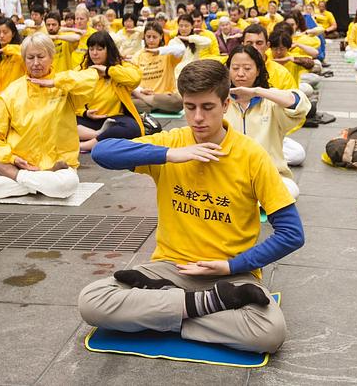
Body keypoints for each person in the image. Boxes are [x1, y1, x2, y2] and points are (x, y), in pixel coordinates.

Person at [79, 60, 304, 353]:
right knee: (92, 301)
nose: (198, 117)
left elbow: (291, 234)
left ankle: (164, 314)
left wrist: (232, 265)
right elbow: (103, 151)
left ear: (226, 104)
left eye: (207, 107)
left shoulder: (251, 155)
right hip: (169, 269)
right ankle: (204, 305)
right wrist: (171, 155)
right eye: (190, 107)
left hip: (231, 276)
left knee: (269, 333)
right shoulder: (173, 143)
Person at [0, 33, 98, 201]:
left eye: (41, 57)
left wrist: (55, 82)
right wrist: (11, 158)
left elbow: (92, 79)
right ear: (24, 59)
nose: (35, 63)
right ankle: (38, 182)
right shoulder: (12, 92)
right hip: (18, 163)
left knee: (67, 185)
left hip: (58, 165)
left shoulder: (64, 86)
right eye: (30, 58)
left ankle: (15, 176)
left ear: (51, 56)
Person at [226, 45, 311, 196]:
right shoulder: (221, 102)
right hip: (229, 176)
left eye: (247, 68)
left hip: (268, 175)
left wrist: (257, 91)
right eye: (235, 68)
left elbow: (299, 103)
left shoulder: (270, 100)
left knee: (290, 190)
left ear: (258, 70)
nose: (240, 74)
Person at [76, 31, 144, 152]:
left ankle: (84, 145)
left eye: (100, 49)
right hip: (89, 120)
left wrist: (108, 70)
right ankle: (98, 135)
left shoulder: (120, 66)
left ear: (109, 50)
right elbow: (71, 97)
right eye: (91, 49)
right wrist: (85, 113)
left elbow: (135, 79)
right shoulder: (82, 69)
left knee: (133, 128)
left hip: (114, 119)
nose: (94, 53)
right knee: (60, 121)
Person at [132, 22, 185, 114]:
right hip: (144, 95)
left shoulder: (167, 53)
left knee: (178, 101)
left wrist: (160, 50)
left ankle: (151, 104)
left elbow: (182, 49)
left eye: (154, 37)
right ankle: (159, 106)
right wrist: (141, 90)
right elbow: (132, 79)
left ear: (161, 36)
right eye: (148, 37)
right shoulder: (138, 55)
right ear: (144, 37)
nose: (151, 40)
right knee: (127, 103)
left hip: (165, 97)